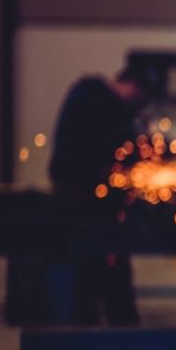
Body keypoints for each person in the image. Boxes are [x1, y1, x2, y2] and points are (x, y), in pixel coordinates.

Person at [48, 66, 150, 325]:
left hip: (83, 201)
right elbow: (121, 146)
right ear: (133, 87)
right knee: (103, 268)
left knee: (97, 270)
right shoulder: (100, 98)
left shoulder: (89, 94)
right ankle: (115, 332)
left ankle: (97, 332)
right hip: (86, 205)